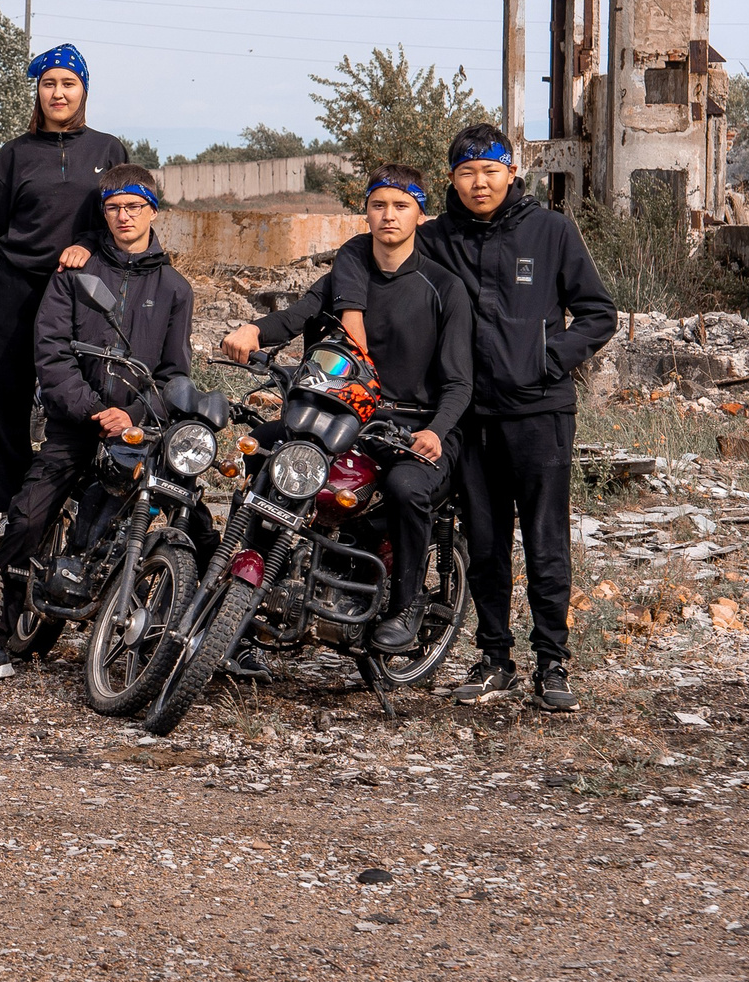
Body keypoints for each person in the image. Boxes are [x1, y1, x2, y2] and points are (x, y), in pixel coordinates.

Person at [221, 163, 472, 669]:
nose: (389, 216)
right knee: (265, 450)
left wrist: (435, 431)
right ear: (366, 211)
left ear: (421, 214)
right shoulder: (347, 268)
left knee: (406, 489)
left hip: (411, 423)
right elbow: (296, 316)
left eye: (402, 206)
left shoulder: (443, 287)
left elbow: (460, 381)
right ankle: (242, 600)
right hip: (344, 416)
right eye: (379, 205)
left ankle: (406, 605)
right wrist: (252, 330)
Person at [409, 125, 612, 711]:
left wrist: (547, 360)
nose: (479, 183)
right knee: (487, 542)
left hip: (540, 413)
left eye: (490, 170)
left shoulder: (551, 230)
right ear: (452, 178)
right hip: (469, 417)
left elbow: (598, 314)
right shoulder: (434, 239)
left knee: (546, 541)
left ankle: (553, 664)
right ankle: (494, 657)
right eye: (467, 172)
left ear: (510, 170)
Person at [0, 164, 192, 681]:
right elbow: (49, 354)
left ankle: (190, 640)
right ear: (104, 213)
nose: (124, 216)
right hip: (74, 422)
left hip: (135, 427)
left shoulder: (175, 289)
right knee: (28, 517)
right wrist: (93, 409)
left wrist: (134, 414)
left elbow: (175, 373)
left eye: (134, 206)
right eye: (115, 207)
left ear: (153, 211)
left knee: (187, 519)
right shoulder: (73, 272)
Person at [0, 45, 133, 515]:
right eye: (49, 84)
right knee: (4, 397)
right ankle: (13, 510)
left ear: (84, 91)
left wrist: (92, 245)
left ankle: (81, 497)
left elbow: (122, 215)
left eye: (68, 84)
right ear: (38, 92)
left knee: (81, 391)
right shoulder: (15, 154)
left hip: (81, 289)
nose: (58, 93)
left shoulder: (108, 149)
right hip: (12, 289)